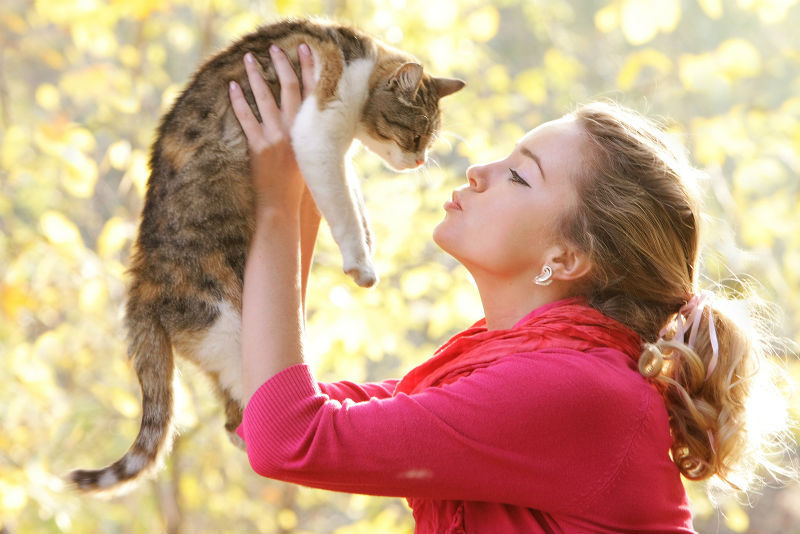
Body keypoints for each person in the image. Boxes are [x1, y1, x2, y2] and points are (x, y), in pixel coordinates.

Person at [228, 44, 793, 533]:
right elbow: (269, 419)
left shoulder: (577, 390)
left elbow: (290, 437)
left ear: (566, 257)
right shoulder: (508, 366)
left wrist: (278, 202)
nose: (478, 170)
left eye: (520, 175)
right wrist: (303, 184)